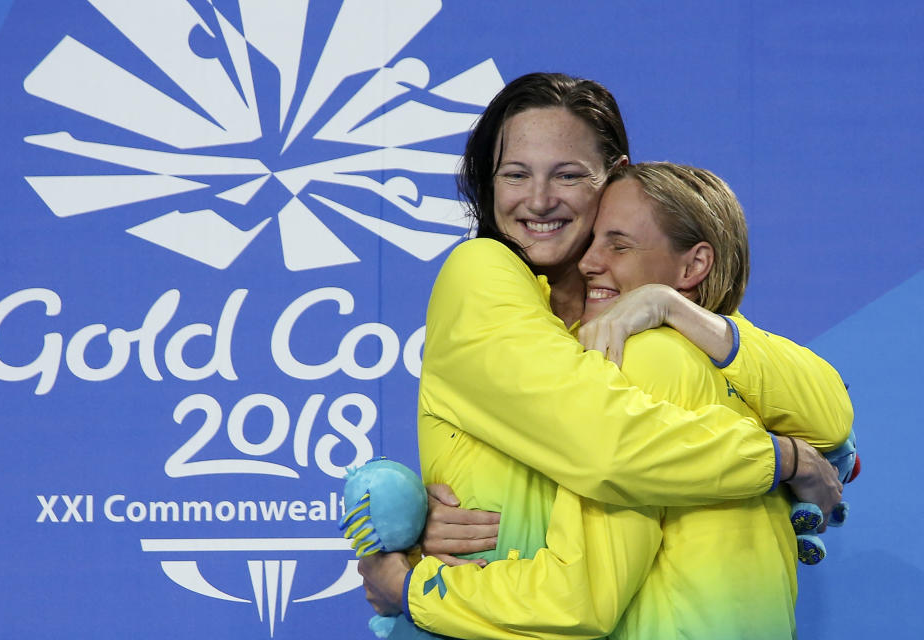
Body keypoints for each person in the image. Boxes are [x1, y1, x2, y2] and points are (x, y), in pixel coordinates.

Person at [358, 74, 851, 638]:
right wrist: (779, 460)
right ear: (487, 184)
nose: (539, 200)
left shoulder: (654, 334)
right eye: (515, 174)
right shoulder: (480, 274)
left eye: (567, 175)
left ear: (612, 177)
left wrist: (677, 310)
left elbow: (834, 420)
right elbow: (608, 447)